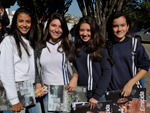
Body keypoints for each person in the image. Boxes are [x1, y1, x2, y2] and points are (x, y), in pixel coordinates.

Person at [0, 8, 42, 113]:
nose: (24, 24)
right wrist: (14, 100)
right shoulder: (8, 41)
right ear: (15, 22)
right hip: (14, 90)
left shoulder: (29, 41)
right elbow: (5, 72)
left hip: (30, 88)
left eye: (28, 21)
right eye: (21, 21)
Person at [35, 13, 78, 113]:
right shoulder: (39, 46)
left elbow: (74, 66)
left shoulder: (69, 45)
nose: (57, 30)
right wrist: (38, 83)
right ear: (48, 26)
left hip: (66, 92)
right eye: (53, 25)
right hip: (47, 93)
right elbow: (37, 68)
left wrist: (75, 77)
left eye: (60, 27)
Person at [106, 11, 150, 97]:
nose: (119, 29)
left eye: (122, 25)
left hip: (134, 91)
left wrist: (130, 83)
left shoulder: (135, 44)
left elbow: (145, 66)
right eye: (115, 26)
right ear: (111, 27)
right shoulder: (106, 46)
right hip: (113, 93)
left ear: (127, 26)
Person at [74, 16, 111, 109]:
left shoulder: (101, 48)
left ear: (94, 31)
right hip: (80, 93)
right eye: (82, 30)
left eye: (88, 30)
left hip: (98, 94)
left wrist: (97, 95)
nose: (85, 33)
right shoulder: (76, 48)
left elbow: (107, 72)